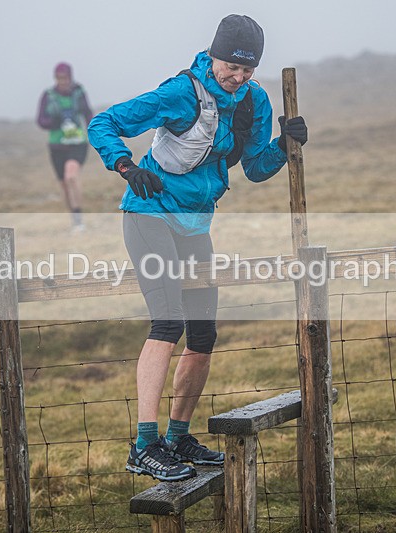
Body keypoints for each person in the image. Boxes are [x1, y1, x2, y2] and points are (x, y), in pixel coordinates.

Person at [88, 14, 308, 482]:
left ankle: (177, 436)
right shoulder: (181, 92)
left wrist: (285, 144)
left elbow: (254, 167)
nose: (239, 76)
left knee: (203, 336)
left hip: (194, 225)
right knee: (167, 323)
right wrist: (126, 166)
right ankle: (144, 446)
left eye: (248, 70)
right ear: (214, 54)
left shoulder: (255, 101)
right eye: (231, 66)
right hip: (148, 213)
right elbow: (103, 123)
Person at [37, 62, 93, 230]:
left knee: (71, 177)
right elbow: (40, 120)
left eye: (65, 77)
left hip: (77, 143)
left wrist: (95, 131)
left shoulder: (79, 93)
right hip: (57, 146)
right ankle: (75, 220)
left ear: (70, 77)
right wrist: (53, 122)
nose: (62, 81)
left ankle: (79, 219)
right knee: (63, 184)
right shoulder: (48, 96)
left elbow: (88, 113)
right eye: (59, 78)